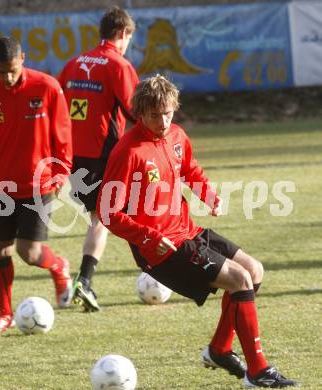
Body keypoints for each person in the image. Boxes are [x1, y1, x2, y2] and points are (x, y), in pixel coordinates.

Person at [96, 75, 299, 388]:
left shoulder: (176, 135)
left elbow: (189, 169)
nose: (163, 121)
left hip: (187, 230)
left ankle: (219, 350)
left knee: (254, 271)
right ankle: (257, 371)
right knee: (239, 279)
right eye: (154, 115)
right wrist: (148, 236)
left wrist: (209, 195)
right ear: (139, 113)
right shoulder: (128, 152)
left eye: (167, 113)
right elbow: (109, 213)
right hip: (162, 249)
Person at [0, 36, 73, 336]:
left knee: (29, 253)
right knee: (1, 251)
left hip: (38, 184)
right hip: (1, 186)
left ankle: (58, 266)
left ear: (22, 58)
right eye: (0, 71)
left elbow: (62, 134)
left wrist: (61, 173)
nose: (7, 77)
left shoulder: (46, 87)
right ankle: (4, 313)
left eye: (11, 69)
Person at [57, 6, 139, 311]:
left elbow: (57, 103)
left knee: (102, 217)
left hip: (74, 155)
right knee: (137, 211)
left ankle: (86, 281)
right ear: (123, 33)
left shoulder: (74, 64)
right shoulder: (118, 65)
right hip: (105, 154)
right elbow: (137, 111)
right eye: (130, 37)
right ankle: (163, 270)